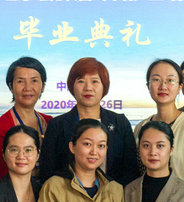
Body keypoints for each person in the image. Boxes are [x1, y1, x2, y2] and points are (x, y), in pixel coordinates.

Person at [39, 57, 138, 186]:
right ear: (72, 86)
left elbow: (131, 171)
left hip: (113, 196)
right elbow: (47, 172)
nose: (88, 87)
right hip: (66, 196)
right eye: (81, 81)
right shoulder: (57, 125)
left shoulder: (120, 123)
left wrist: (113, 193)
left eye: (95, 81)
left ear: (104, 86)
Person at [36, 119, 127, 202]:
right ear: (72, 147)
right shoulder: (53, 187)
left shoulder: (115, 190)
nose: (94, 152)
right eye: (87, 144)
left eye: (101, 146)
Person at [134, 59, 184, 183]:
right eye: (156, 80)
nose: (163, 86)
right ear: (148, 86)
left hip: (182, 196)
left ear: (180, 87)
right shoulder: (140, 127)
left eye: (170, 80)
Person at [0, 57, 52, 182]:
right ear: (11, 87)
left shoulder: (50, 122)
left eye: (34, 81)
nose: (27, 88)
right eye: (20, 81)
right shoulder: (0, 126)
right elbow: (0, 175)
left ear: (43, 86)